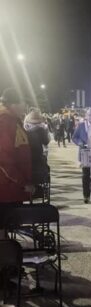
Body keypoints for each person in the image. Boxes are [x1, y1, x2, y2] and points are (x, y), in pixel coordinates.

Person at [0, 88, 32, 238]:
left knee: (5, 229)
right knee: (3, 228)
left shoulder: (11, 119)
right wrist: (21, 182)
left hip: (10, 188)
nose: (25, 107)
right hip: (5, 188)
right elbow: (3, 159)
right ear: (14, 104)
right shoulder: (4, 121)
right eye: (23, 103)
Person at [24, 107, 50, 186]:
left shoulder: (24, 127)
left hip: (25, 154)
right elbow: (46, 141)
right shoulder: (42, 128)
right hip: (38, 155)